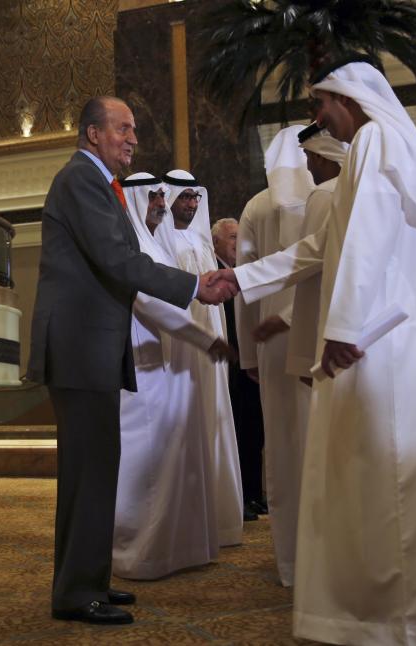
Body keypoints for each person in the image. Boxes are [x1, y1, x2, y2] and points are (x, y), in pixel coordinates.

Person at [225, 57, 416, 644]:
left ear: (348, 98)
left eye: (319, 105)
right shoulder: (394, 148)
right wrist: (244, 280)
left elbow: (369, 238)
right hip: (390, 341)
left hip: (375, 342)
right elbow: (324, 245)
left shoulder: (377, 140)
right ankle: (396, 613)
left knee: (381, 479)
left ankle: (394, 620)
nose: (318, 118)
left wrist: (344, 329)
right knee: (383, 477)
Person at [27, 96, 233, 626]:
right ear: (93, 133)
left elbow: (126, 261)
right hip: (79, 349)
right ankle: (75, 593)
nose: (133, 138)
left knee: (98, 470)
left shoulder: (100, 184)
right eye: (123, 129)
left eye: (134, 129)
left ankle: (90, 580)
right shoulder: (79, 179)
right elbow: (120, 261)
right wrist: (193, 285)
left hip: (93, 348)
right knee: (87, 473)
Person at [113, 172, 227, 580]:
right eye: (155, 198)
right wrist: (203, 337)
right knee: (145, 460)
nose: (161, 204)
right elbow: (149, 301)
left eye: (163, 197)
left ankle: (176, 548)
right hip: (144, 365)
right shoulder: (131, 243)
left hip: (172, 366)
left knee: (171, 457)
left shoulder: (151, 241)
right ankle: (138, 554)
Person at [235, 125, 315, 587]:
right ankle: (325, 556)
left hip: (270, 341)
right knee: (319, 445)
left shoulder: (255, 206)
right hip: (315, 335)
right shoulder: (328, 196)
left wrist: (248, 350)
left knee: (282, 449)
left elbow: (245, 285)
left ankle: (290, 560)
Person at [161, 169, 245, 547]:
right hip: (181, 346)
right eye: (184, 198)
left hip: (212, 344)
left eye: (196, 197)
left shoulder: (199, 240)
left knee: (216, 418)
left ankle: (221, 520)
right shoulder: (161, 240)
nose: (192, 204)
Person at [212, 218, 266, 521]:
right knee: (238, 430)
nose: (237, 242)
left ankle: (255, 495)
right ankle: (241, 497)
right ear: (217, 241)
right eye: (232, 237)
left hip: (250, 361)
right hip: (229, 363)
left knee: (254, 431)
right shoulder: (214, 271)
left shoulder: (248, 271)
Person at [284, 125, 347, 382]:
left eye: (309, 158)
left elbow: (309, 271)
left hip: (331, 334)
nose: (308, 168)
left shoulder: (324, 194)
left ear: (319, 156)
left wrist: (306, 356)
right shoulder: (363, 185)